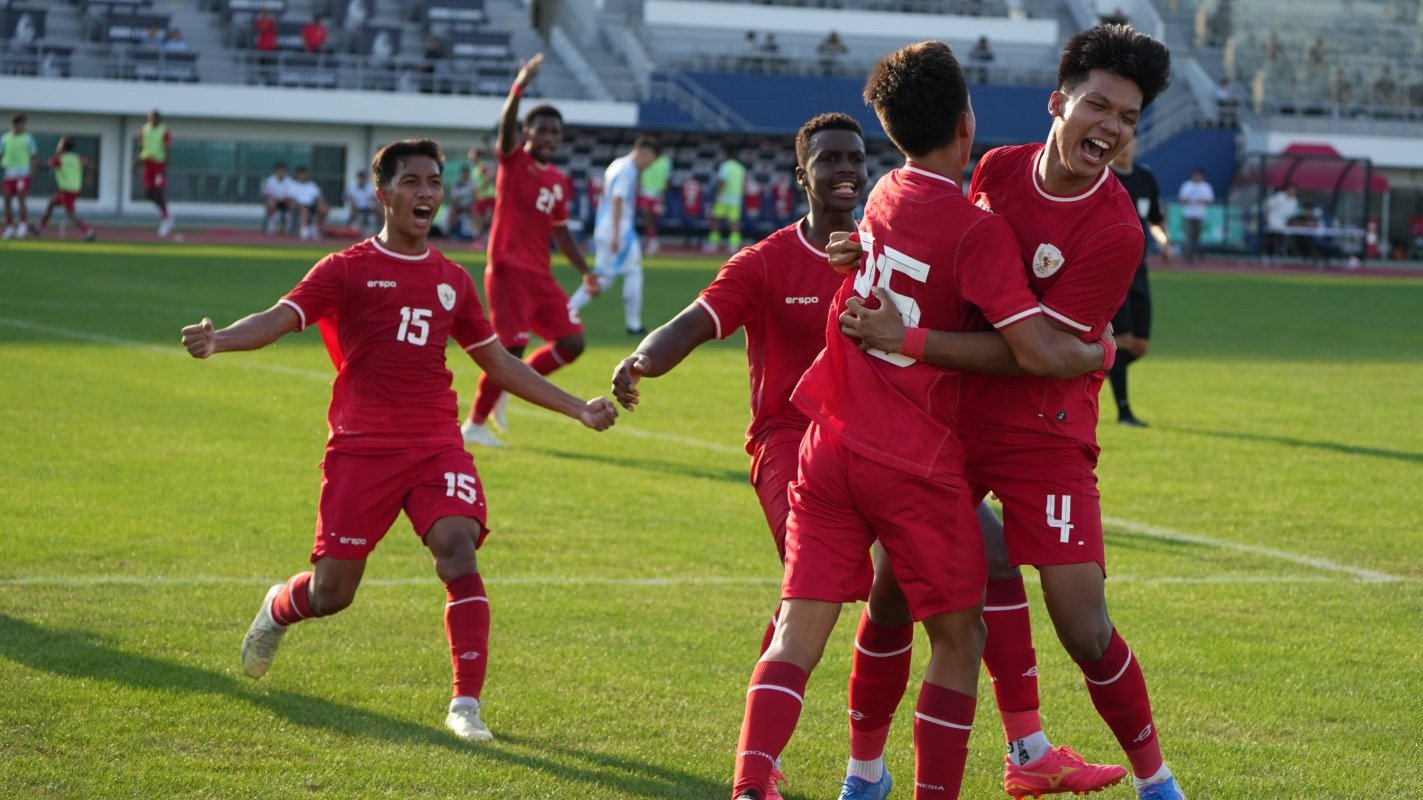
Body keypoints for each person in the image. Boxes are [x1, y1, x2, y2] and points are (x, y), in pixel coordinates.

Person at [729, 41, 1112, 800]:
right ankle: (961, 772)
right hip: (910, 459)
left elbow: (888, 261)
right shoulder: (976, 231)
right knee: (958, 637)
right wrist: (1094, 349)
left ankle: (754, 783)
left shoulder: (879, 198)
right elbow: (1033, 349)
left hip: (828, 439)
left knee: (799, 632)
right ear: (966, 126)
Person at [833, 24, 1186, 800]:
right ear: (1057, 101)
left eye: (1126, 118)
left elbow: (1037, 357)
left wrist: (911, 338)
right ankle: (865, 775)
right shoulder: (993, 169)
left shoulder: (1114, 229)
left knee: (1083, 626)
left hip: (1044, 435)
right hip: (951, 423)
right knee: (892, 588)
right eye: (1097, 104)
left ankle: (1156, 781)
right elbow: (948, 266)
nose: (1111, 127)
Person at [179, 138, 617, 743]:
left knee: (458, 547)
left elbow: (499, 362)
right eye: (412, 182)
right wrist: (219, 339)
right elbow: (279, 318)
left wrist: (578, 407)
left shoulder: (453, 281)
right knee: (333, 593)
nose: (427, 193)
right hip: (362, 447)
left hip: (436, 443)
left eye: (434, 182)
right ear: (382, 193)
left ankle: (467, 705)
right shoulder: (345, 269)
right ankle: (280, 606)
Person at [611, 111, 868, 799]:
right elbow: (693, 322)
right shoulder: (765, 262)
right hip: (789, 443)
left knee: (877, 590)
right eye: (829, 159)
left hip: (874, 442)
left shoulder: (885, 251)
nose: (845, 170)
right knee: (819, 584)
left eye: (855, 157)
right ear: (801, 174)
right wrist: (640, 360)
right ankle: (756, 775)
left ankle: (848, 765)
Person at [462, 53, 601, 448]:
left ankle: (508, 386)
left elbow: (562, 233)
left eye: (555, 132)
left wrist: (584, 271)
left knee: (573, 342)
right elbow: (505, 129)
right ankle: (473, 423)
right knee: (511, 348)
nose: (549, 137)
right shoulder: (514, 160)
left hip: (540, 274)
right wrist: (520, 85)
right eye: (541, 130)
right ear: (526, 134)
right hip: (508, 269)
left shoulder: (559, 180)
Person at [569, 136, 661, 335]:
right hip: (619, 229)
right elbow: (618, 199)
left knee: (605, 278)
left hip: (605, 226)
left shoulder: (616, 164)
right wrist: (618, 234)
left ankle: (568, 309)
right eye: (652, 159)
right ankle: (633, 324)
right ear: (646, 152)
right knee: (632, 272)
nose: (651, 164)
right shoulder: (628, 169)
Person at [1108, 137, 1170, 428]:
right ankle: (1124, 413)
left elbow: (1156, 220)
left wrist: (1165, 241)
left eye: (1130, 140)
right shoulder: (1103, 178)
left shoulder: (1146, 178)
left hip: (1140, 270)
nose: (1125, 146)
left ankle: (1096, 370)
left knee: (1140, 346)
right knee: (1122, 340)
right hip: (1113, 271)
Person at [35, 137, 96, 241]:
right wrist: (89, 178)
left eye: (59, 145)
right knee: (51, 203)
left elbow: (45, 166)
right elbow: (92, 166)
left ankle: (89, 232)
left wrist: (35, 160)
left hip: (67, 190)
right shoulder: (77, 157)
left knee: (70, 214)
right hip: (73, 189)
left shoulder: (59, 159)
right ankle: (38, 227)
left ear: (63, 147)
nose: (57, 147)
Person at [137, 109, 175, 238]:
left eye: (154, 117)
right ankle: (167, 215)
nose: (151, 119)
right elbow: (142, 148)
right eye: (150, 117)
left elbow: (168, 147)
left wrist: (167, 164)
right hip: (148, 163)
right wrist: (135, 163)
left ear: (159, 119)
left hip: (159, 164)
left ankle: (166, 219)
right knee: (148, 193)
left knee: (159, 191)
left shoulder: (164, 130)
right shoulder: (144, 129)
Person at [1, 113, 38, 240]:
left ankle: (22, 225)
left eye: (24, 124)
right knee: (7, 199)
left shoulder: (28, 138)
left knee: (21, 197)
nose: (22, 127)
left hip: (23, 173)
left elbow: (34, 156)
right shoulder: (5, 138)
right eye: (20, 124)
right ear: (15, 125)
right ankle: (10, 226)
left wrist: (33, 171)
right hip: (9, 173)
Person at [705, 149, 746, 253]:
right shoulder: (740, 168)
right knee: (734, 223)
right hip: (736, 200)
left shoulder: (725, 166)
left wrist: (716, 196)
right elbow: (743, 185)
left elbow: (722, 182)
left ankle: (714, 244)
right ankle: (734, 246)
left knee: (716, 220)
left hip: (723, 198)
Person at [637, 148, 671, 254]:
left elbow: (668, 178)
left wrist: (663, 192)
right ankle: (651, 241)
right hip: (645, 192)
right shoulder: (645, 160)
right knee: (647, 217)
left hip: (658, 194)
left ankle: (653, 239)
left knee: (654, 219)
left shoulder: (665, 161)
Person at [1176, 168, 1213, 263]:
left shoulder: (1206, 186)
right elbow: (1181, 199)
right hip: (1189, 214)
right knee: (1189, 236)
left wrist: (1201, 201)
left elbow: (1210, 200)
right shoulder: (1187, 185)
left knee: (1197, 237)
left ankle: (1195, 255)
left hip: (1200, 215)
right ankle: (1188, 256)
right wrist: (1188, 200)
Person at [288, 166, 328, 240]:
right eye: (301, 174)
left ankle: (315, 227)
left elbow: (319, 197)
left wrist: (321, 204)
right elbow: (290, 199)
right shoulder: (293, 185)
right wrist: (299, 205)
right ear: (297, 175)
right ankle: (304, 231)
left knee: (324, 209)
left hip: (312, 205)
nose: (303, 176)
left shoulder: (312, 185)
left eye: (304, 174)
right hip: (298, 206)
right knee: (304, 209)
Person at [466, 147, 497, 243]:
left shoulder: (482, 166)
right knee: (478, 218)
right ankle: (479, 239)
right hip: (480, 197)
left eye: (472, 155)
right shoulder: (475, 168)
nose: (470, 157)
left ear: (477, 156)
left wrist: (481, 187)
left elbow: (489, 177)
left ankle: (486, 239)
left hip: (488, 196)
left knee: (487, 218)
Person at [1264, 184, 1300, 262]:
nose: (1292, 192)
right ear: (1287, 190)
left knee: (1280, 241)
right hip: (1272, 221)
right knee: (1271, 239)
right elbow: (1269, 205)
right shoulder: (1280, 196)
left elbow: (1291, 215)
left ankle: (1277, 256)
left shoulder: (1295, 201)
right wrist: (1268, 218)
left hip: (1283, 225)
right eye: (1290, 190)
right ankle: (1266, 256)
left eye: (1294, 190)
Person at [262, 162, 296, 235]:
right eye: (279, 170)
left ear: (285, 171)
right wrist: (274, 198)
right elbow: (267, 193)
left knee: (292, 204)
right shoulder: (270, 180)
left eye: (282, 170)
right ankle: (271, 225)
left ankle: (289, 226)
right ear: (276, 171)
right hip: (275, 201)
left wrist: (285, 199)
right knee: (271, 203)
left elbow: (291, 194)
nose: (281, 172)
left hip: (286, 201)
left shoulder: (290, 180)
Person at [447, 166, 476, 239]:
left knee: (477, 210)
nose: (465, 175)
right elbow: (454, 198)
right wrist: (461, 207)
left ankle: (477, 234)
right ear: (462, 174)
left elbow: (475, 197)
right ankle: (452, 233)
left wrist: (468, 207)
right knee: (452, 211)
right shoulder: (457, 184)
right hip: (460, 208)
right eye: (464, 173)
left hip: (470, 207)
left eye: (467, 173)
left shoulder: (473, 184)